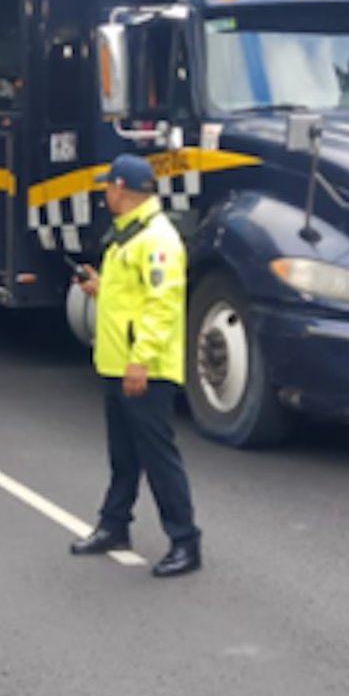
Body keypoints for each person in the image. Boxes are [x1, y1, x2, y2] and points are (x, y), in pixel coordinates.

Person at [69, 154, 202, 578]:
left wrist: (140, 360)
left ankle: (185, 541)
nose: (105, 191)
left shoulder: (157, 239)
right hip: (117, 364)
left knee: (158, 457)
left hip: (145, 369)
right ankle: (114, 526)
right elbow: (133, 298)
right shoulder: (129, 235)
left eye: (109, 185)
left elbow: (162, 307)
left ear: (121, 189)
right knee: (124, 457)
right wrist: (100, 289)